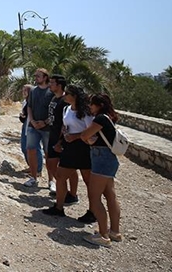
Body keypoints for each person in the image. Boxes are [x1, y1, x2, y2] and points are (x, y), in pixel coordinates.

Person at [43, 84, 96, 224]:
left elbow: (91, 131)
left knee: (89, 181)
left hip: (83, 147)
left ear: (75, 96)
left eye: (68, 94)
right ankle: (59, 207)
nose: (65, 95)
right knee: (60, 176)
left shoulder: (85, 112)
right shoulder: (67, 109)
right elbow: (65, 127)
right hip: (69, 147)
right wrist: (61, 141)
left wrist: (76, 136)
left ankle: (93, 211)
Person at [79, 93, 123, 247]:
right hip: (109, 159)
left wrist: (86, 139)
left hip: (101, 160)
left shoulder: (100, 119)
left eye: (92, 104)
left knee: (94, 197)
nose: (90, 107)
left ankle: (103, 235)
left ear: (99, 105)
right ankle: (114, 231)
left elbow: (85, 135)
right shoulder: (109, 118)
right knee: (110, 195)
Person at [24, 69, 54, 188]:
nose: (36, 78)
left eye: (38, 76)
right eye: (35, 75)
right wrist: (32, 121)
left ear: (45, 77)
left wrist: (45, 122)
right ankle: (33, 177)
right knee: (31, 150)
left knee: (49, 154)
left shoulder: (51, 92)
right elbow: (29, 107)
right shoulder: (33, 91)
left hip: (47, 127)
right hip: (33, 126)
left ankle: (51, 180)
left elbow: (54, 110)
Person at [44, 75, 72, 197]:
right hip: (52, 134)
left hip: (60, 138)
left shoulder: (64, 101)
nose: (50, 85)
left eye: (52, 83)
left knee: (68, 168)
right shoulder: (54, 98)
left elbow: (65, 123)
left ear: (59, 85)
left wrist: (60, 141)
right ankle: (63, 191)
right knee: (50, 164)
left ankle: (70, 194)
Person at [18, 84, 43, 175]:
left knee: (35, 148)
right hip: (26, 125)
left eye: (25, 90)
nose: (23, 92)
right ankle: (31, 166)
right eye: (23, 90)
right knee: (24, 147)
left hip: (32, 126)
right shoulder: (25, 102)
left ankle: (38, 169)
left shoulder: (35, 101)